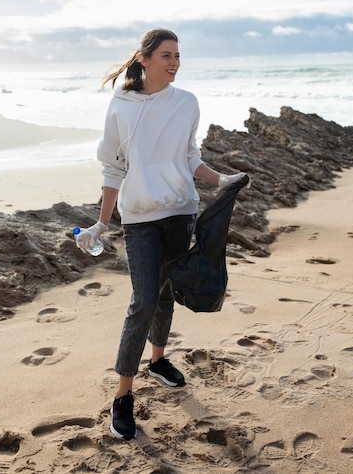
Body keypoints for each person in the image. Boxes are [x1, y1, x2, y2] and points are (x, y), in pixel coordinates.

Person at [76, 29, 246, 440]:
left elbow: (189, 156)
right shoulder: (121, 105)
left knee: (166, 295)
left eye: (178, 56)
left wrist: (221, 179)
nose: (175, 62)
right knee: (143, 300)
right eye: (167, 55)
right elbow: (113, 167)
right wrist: (102, 221)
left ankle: (158, 360)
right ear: (146, 58)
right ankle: (123, 395)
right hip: (138, 219)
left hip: (180, 213)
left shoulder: (186, 102)